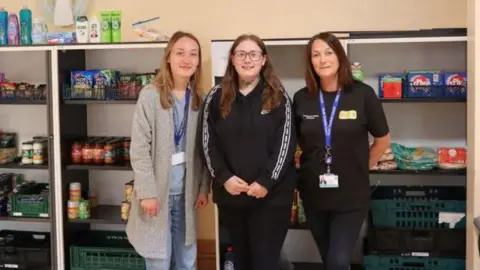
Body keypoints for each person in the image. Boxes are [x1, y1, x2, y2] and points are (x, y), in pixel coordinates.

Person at [293, 32, 391, 270]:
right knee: (329, 259)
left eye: (328, 52)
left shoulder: (362, 94)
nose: (322, 59)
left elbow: (382, 138)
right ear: (310, 61)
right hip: (314, 194)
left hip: (351, 194)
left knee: (337, 260)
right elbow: (298, 142)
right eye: (315, 55)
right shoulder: (301, 98)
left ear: (340, 57)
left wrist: (362, 166)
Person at [201, 34, 297, 270]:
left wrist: (266, 181)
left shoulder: (278, 96)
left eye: (254, 54)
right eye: (241, 54)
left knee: (265, 262)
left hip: (270, 198)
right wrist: (224, 178)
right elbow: (207, 143)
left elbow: (285, 144)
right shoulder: (216, 96)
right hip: (232, 196)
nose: (247, 59)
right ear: (232, 59)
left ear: (263, 60)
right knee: (241, 260)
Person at [126, 31, 211, 270]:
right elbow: (140, 148)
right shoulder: (150, 96)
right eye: (180, 53)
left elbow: (205, 150)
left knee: (187, 260)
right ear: (168, 58)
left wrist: (204, 187)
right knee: (158, 261)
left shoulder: (200, 100)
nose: (187, 59)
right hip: (157, 196)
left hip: (187, 196)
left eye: (193, 54)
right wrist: (147, 192)